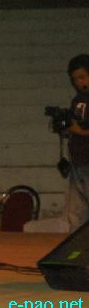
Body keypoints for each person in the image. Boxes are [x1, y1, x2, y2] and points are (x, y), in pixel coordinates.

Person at [65, 54, 89, 232]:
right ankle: (76, 244)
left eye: (82, 77)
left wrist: (79, 131)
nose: (79, 82)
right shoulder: (78, 100)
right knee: (76, 212)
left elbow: (81, 129)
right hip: (78, 161)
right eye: (74, 79)